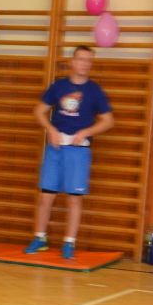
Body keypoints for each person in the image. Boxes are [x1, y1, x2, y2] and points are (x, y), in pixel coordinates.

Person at [24, 45, 114, 259]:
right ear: (72, 62)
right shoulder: (59, 86)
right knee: (46, 195)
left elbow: (108, 121)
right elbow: (39, 111)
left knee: (74, 199)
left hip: (78, 151)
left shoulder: (94, 91)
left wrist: (86, 132)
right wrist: (50, 129)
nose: (85, 64)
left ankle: (69, 242)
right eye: (81, 59)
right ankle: (40, 238)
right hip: (56, 148)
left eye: (89, 60)